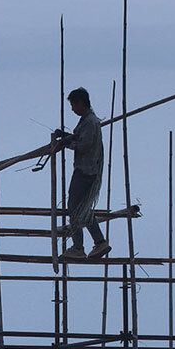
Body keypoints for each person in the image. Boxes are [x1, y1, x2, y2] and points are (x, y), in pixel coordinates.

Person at [51, 87, 111, 260]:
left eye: (73, 105)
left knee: (75, 208)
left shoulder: (90, 122)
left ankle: (78, 247)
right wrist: (66, 136)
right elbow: (80, 137)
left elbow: (85, 145)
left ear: (81, 103)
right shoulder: (87, 121)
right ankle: (100, 242)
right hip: (87, 170)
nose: (72, 109)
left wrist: (66, 144)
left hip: (85, 171)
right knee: (82, 208)